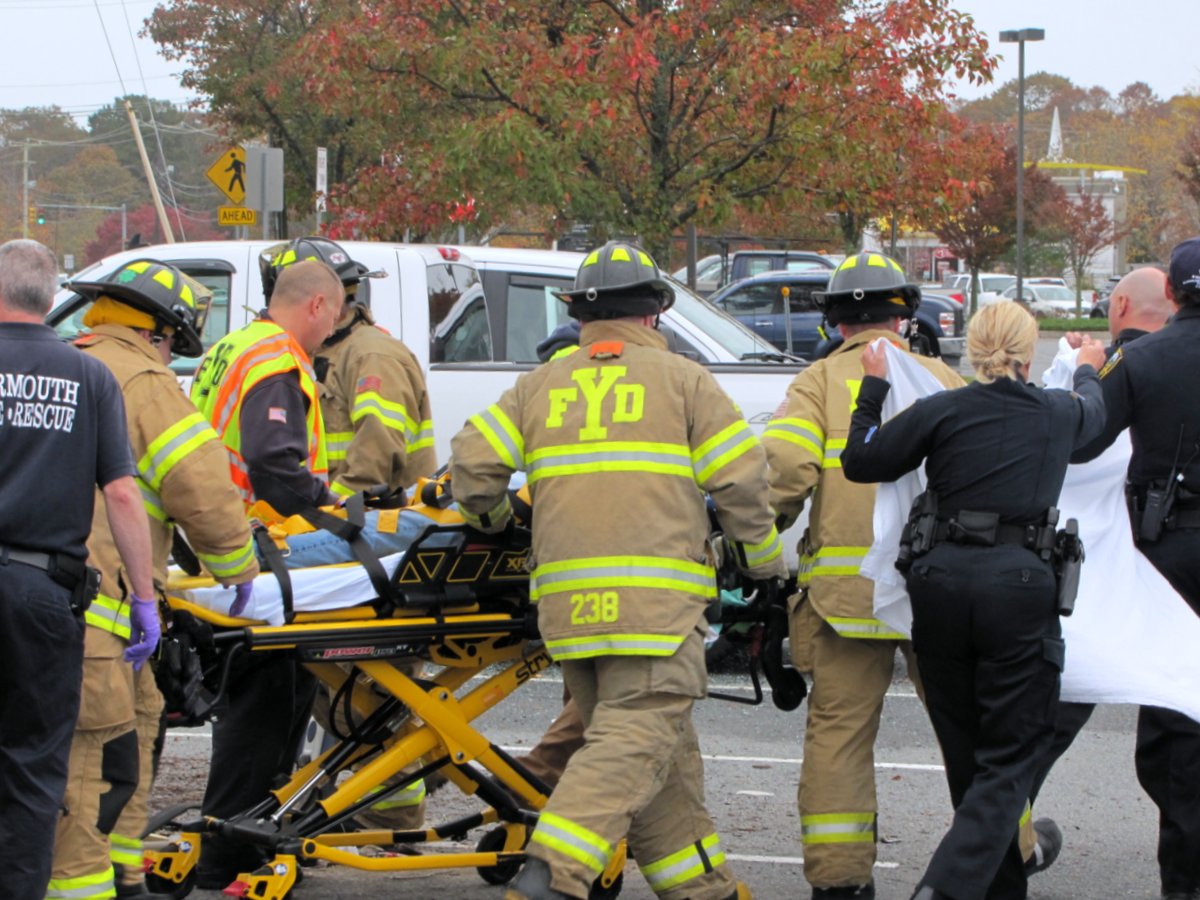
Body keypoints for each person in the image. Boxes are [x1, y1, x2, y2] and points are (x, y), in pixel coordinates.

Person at [451, 241, 785, 900]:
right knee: (632, 741)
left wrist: (494, 525)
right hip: (656, 616)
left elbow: (471, 472)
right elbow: (743, 483)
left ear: (579, 316)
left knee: (660, 767)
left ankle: (703, 891)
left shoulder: (538, 385)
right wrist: (763, 564)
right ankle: (552, 872)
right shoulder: (686, 382)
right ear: (655, 314)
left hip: (571, 619)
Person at [840, 301, 1107, 900]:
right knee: (1013, 755)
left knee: (967, 753)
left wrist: (874, 388)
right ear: (1028, 349)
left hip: (938, 586)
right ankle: (944, 887)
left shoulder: (942, 410)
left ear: (975, 347)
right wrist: (1089, 364)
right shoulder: (1057, 412)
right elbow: (1098, 416)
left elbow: (862, 461)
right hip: (1017, 591)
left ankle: (998, 891)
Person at [46, 261, 260, 900]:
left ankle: (126, 873)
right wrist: (237, 566)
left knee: (131, 740)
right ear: (159, 333)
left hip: (59, 605)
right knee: (92, 767)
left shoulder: (54, 366)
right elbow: (199, 484)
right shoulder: (145, 380)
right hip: (101, 615)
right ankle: (85, 887)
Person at [762, 251, 964, 900]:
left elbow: (782, 477)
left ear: (835, 322)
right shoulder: (944, 381)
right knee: (972, 729)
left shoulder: (817, 384)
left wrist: (749, 542)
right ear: (903, 318)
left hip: (850, 600)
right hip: (939, 591)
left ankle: (840, 882)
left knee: (840, 738)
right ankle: (1007, 851)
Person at [0, 239, 154, 900]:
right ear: (51, 299)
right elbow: (122, 494)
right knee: (34, 770)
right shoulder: (90, 378)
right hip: (42, 594)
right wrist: (143, 599)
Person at [189, 258, 344, 888]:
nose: (333, 329)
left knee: (267, 702)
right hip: (258, 555)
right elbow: (274, 464)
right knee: (265, 709)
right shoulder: (277, 360)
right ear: (315, 306)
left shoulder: (233, 346)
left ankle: (245, 832)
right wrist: (335, 511)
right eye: (334, 314)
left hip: (217, 543)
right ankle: (233, 849)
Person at [1071, 238, 1200, 900]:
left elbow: (1085, 435)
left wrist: (1088, 370)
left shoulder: (1141, 358)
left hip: (1172, 556)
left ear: (1173, 294)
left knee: (1179, 730)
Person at [1029, 265, 1175, 804]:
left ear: (1118, 309)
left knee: (1060, 707)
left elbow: (1067, 436)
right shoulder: (1171, 369)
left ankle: (1002, 827)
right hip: (1168, 554)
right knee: (1176, 712)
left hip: (1090, 570)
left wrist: (1078, 371)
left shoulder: (1118, 371)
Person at [260, 236, 436, 499]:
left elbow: (375, 459)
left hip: (375, 526)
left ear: (317, 302)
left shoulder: (372, 356)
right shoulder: (319, 352)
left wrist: (325, 512)